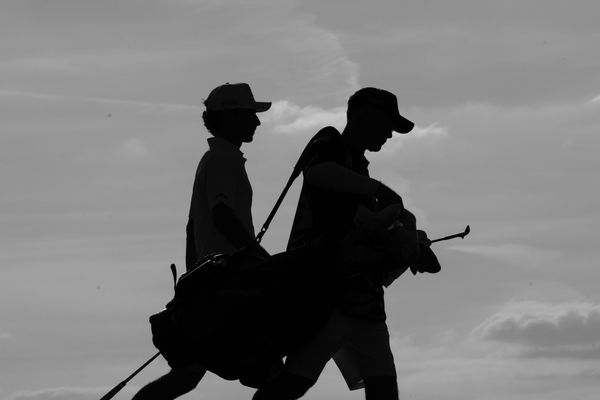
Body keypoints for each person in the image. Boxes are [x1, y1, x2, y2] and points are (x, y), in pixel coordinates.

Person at [252, 87, 418, 400]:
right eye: (387, 125)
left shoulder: (358, 166)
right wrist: (380, 193)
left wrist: (410, 245)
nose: (390, 135)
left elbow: (364, 223)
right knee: (294, 383)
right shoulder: (330, 143)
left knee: (380, 387)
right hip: (326, 295)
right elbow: (318, 174)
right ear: (365, 116)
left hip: (363, 301)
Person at [133, 82, 271, 400]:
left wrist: (192, 279)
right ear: (230, 117)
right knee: (270, 373)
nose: (257, 122)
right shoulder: (224, 160)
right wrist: (261, 258)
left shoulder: (214, 159)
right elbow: (222, 215)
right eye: (250, 114)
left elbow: (192, 227)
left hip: (212, 281)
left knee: (188, 375)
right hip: (229, 283)